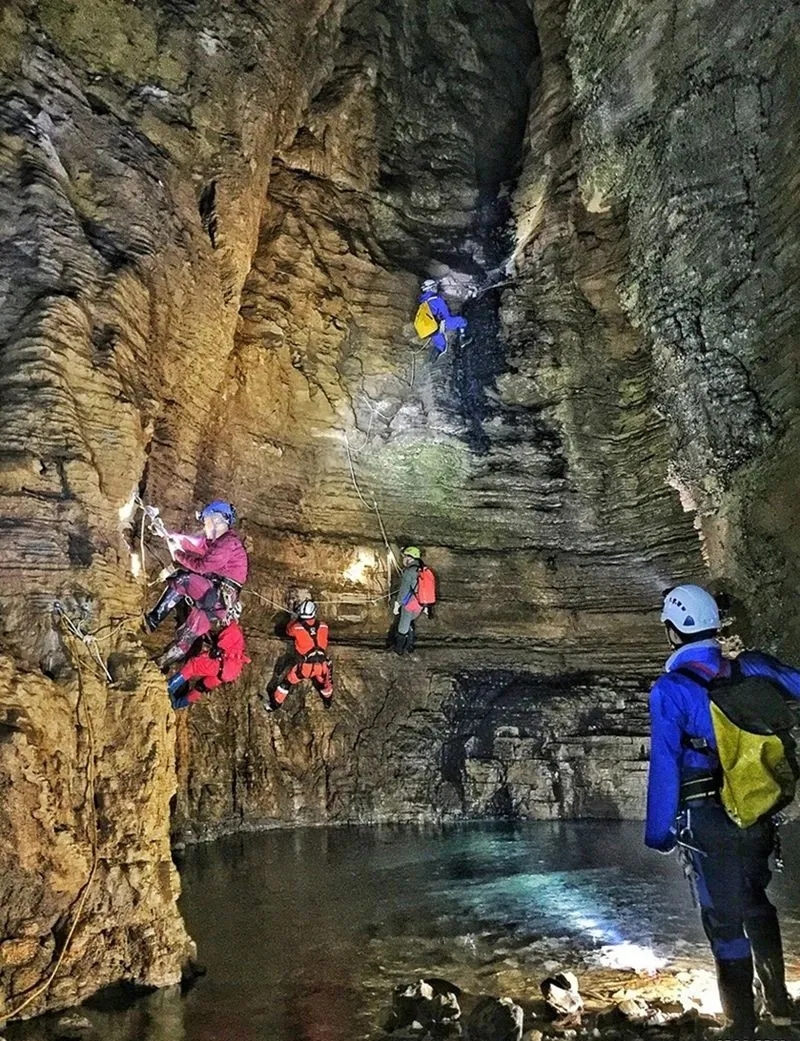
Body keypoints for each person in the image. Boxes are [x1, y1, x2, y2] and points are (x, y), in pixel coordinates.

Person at [645, 583, 800, 1039]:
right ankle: (780, 1007)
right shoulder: (751, 666)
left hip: (708, 821)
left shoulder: (672, 688)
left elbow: (665, 766)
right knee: (756, 901)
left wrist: (658, 831)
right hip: (755, 809)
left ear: (673, 632)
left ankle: (739, 1025)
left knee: (724, 920)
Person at [144, 499, 249, 669]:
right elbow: (194, 543)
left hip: (216, 596)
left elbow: (202, 566)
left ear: (217, 520)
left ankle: (152, 621)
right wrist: (166, 535)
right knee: (188, 635)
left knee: (182, 579)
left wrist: (178, 555)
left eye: (206, 521)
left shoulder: (228, 544)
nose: (205, 526)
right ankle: (160, 664)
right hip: (218, 604)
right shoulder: (219, 543)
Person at [166, 619, 250, 709]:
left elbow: (216, 651)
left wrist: (204, 655)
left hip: (222, 665)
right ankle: (177, 705)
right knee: (200, 687)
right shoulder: (236, 634)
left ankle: (169, 687)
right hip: (229, 673)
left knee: (192, 666)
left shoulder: (233, 631)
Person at [265, 600, 333, 710]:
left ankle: (274, 704)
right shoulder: (324, 626)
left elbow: (288, 631)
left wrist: (294, 618)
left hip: (305, 667)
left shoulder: (297, 627)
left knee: (287, 682)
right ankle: (328, 702)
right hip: (322, 665)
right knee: (324, 683)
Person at [390, 546, 435, 655]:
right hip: (421, 604)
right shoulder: (423, 569)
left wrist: (397, 604)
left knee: (403, 627)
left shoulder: (409, 571)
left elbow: (404, 590)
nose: (403, 559)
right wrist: (426, 607)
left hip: (410, 603)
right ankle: (409, 647)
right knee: (409, 622)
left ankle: (399, 649)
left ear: (410, 557)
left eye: (405, 557)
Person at [414, 279, 468, 357]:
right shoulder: (436, 299)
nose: (436, 288)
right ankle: (463, 339)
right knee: (461, 321)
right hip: (439, 324)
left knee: (442, 346)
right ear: (431, 288)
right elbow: (445, 315)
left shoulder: (423, 303)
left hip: (431, 329)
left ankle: (435, 360)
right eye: (434, 286)